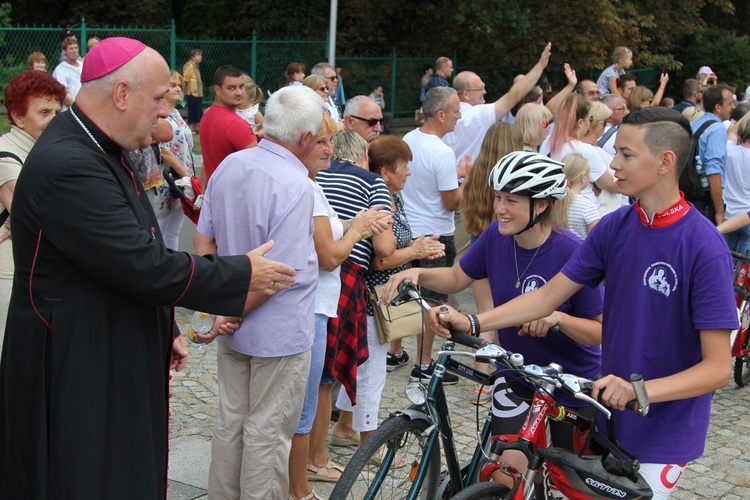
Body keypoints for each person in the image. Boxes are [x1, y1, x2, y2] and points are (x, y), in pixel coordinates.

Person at [0, 37, 297, 499]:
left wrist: (164, 330)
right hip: (74, 362)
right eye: (159, 99)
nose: (166, 112)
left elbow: (127, 251)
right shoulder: (71, 163)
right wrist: (242, 273)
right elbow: (143, 264)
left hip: (106, 342)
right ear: (121, 95)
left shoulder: (97, 147)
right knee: (86, 475)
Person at [420, 108, 737, 499]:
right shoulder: (612, 229)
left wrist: (642, 391)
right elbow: (545, 298)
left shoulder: (704, 246)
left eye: (625, 154)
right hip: (606, 417)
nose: (613, 163)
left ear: (664, 161)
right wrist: (473, 321)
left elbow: (719, 368)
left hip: (663, 430)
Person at [384, 150, 603, 488]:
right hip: (517, 373)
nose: (499, 208)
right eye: (498, 197)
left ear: (541, 205)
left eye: (511, 201)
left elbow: (599, 332)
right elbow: (458, 277)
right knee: (507, 475)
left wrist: (558, 318)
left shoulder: (573, 252)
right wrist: (416, 273)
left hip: (568, 384)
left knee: (568, 484)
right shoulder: (496, 237)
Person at [192, 85, 324, 499]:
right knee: (267, 430)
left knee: (232, 419)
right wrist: (232, 310)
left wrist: (221, 308)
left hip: (236, 321)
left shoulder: (231, 165)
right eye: (319, 137)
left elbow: (203, 241)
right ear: (304, 138)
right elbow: (277, 275)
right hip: (276, 329)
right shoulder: (296, 185)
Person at [289, 115, 390, 499]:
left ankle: (308, 463)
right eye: (322, 142)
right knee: (322, 380)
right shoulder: (357, 181)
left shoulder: (309, 178)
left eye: (331, 143)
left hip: (316, 285)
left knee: (317, 380)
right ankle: (308, 471)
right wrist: (360, 229)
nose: (328, 150)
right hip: (335, 285)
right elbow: (358, 251)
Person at [400, 86, 469, 384]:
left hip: (409, 230)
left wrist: (456, 174)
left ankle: (395, 351)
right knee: (431, 302)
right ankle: (424, 363)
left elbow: (423, 181)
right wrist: (471, 180)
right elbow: (451, 201)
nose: (459, 116)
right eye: (455, 110)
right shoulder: (442, 151)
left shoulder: (408, 139)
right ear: (441, 115)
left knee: (409, 296)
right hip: (437, 234)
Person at [369, 135, 446, 372]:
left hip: (388, 299)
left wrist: (420, 245)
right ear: (384, 172)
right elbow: (381, 260)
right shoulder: (379, 203)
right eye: (404, 166)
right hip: (375, 305)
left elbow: (397, 246)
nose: (409, 172)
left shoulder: (395, 198)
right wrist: (414, 249)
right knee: (370, 374)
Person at [0, 71, 66, 348]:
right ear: (17, 117)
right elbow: (37, 218)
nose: (54, 118)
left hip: (36, 267)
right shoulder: (6, 155)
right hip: (8, 271)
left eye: (57, 111)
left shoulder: (45, 150)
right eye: (43, 112)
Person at [460, 122, 523, 403]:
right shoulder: (517, 176)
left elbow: (466, 207)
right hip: (507, 250)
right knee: (505, 316)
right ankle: (500, 378)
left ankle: (480, 379)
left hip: (478, 247)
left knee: (483, 316)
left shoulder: (477, 174)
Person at [540, 93, 617, 205]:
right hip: (581, 210)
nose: (590, 123)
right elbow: (609, 183)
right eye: (590, 118)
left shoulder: (547, 142)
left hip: (554, 206)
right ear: (580, 122)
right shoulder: (584, 150)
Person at [199, 65, 258, 190]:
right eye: (231, 88)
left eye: (242, 87)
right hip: (236, 197)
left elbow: (206, 163)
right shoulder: (235, 124)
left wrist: (202, 195)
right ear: (217, 89)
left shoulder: (207, 115)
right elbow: (259, 167)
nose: (239, 92)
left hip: (215, 193)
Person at [690, 84, 736, 224]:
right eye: (730, 103)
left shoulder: (693, 124)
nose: (733, 107)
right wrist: (720, 212)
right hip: (705, 201)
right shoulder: (716, 129)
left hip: (687, 195)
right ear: (718, 107)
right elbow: (713, 171)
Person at [722, 113, 750, 254]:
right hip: (747, 215)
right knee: (744, 269)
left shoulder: (730, 151)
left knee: (727, 258)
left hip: (729, 215)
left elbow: (732, 131)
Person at [560, 153, 600, 239]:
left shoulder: (555, 202)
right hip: (581, 251)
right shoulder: (587, 207)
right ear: (584, 176)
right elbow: (597, 238)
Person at [52, 35, 82, 110]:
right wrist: (78, 109)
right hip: (70, 111)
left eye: (76, 48)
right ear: (64, 51)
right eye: (71, 49)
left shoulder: (83, 65)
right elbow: (64, 96)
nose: (74, 51)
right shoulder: (60, 70)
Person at [182, 48, 204, 134]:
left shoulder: (195, 66)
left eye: (200, 55)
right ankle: (192, 127)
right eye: (198, 55)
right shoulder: (189, 66)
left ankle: (196, 128)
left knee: (197, 109)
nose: (200, 57)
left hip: (197, 91)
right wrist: (184, 91)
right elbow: (185, 79)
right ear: (192, 57)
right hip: (192, 91)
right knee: (194, 109)